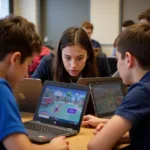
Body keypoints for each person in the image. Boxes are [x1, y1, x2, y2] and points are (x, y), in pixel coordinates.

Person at [0, 15, 69, 150]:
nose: (26, 74)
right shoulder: (2, 91)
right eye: (28, 64)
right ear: (15, 59)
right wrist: (52, 147)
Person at [87, 23, 150, 150]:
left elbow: (95, 146)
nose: (117, 65)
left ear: (128, 59)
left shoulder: (141, 92)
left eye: (117, 59)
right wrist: (109, 125)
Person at [32, 27, 111, 83]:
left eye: (80, 58)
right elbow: (30, 90)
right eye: (67, 58)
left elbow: (109, 93)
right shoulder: (48, 62)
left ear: (88, 54)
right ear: (60, 54)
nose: (73, 65)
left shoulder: (100, 61)